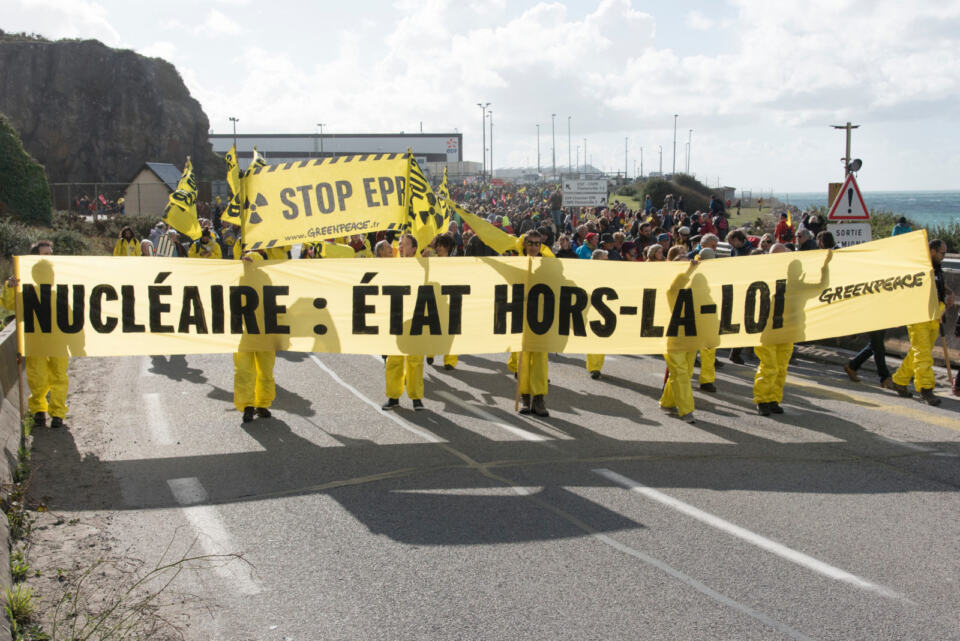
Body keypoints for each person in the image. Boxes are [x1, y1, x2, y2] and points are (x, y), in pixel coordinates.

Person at [3, 241, 69, 428]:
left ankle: (57, 413)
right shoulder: (23, 284)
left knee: (59, 376)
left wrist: (78, 341)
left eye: (50, 254)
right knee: (37, 376)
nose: (48, 257)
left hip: (58, 339)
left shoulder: (62, 280)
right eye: (44, 254)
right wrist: (9, 287)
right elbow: (9, 305)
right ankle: (39, 410)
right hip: (35, 339)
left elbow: (71, 310)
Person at [888, 239, 955, 405]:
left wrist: (949, 292)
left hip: (935, 316)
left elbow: (939, 284)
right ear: (932, 251)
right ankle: (925, 389)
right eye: (942, 253)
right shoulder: (921, 267)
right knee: (923, 354)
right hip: (919, 316)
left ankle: (899, 380)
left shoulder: (937, 267)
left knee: (918, 352)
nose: (944, 256)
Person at [383, 234, 426, 411]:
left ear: (414, 248)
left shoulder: (422, 265)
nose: (401, 247)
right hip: (396, 316)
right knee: (394, 358)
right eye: (399, 244)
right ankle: (393, 396)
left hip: (415, 316)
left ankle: (416, 398)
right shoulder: (392, 265)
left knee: (415, 359)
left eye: (405, 244)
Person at [234, 248, 277, 423]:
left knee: (265, 371)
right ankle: (247, 406)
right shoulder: (236, 278)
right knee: (244, 372)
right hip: (242, 334)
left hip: (264, 334)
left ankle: (262, 404)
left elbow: (274, 303)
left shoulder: (265, 279)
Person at [516, 230, 550, 416]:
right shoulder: (516, 261)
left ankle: (539, 398)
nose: (534, 247)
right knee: (524, 361)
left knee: (540, 361)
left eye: (538, 243)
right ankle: (525, 397)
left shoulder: (548, 263)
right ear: (524, 244)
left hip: (541, 318)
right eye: (530, 243)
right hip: (521, 317)